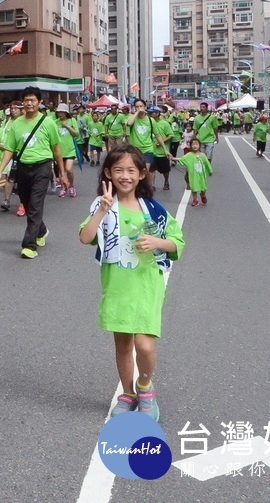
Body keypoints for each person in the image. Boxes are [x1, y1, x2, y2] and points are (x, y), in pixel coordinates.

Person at [78, 145, 185, 422]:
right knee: (123, 344)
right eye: (118, 170)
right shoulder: (102, 206)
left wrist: (157, 242)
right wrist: (101, 211)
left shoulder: (153, 209)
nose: (124, 176)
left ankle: (145, 388)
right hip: (116, 284)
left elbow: (177, 242)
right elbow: (85, 237)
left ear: (141, 174)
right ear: (108, 174)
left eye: (131, 171)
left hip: (147, 283)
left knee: (145, 345)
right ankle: (127, 394)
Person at [0, 87, 67, 259]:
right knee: (27, 204)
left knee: (35, 204)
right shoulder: (16, 124)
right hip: (23, 168)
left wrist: (61, 173)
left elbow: (56, 149)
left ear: (40, 103)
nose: (29, 103)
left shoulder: (47, 123)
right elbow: (9, 149)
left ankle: (29, 245)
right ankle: (41, 230)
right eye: (26, 100)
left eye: (33, 100)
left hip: (43, 166)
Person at [173, 138, 213, 207]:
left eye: (196, 144)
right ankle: (195, 200)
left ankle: (203, 195)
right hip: (193, 176)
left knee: (203, 187)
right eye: (193, 144)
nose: (195, 146)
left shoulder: (203, 155)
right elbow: (182, 159)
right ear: (190, 146)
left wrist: (210, 171)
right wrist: (173, 158)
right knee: (194, 188)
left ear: (199, 145)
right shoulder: (189, 155)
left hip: (201, 176)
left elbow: (207, 164)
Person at [54, 103, 79, 198]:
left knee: (69, 169)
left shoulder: (72, 120)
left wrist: (68, 126)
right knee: (61, 172)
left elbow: (77, 134)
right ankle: (64, 188)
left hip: (70, 149)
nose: (60, 114)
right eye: (59, 112)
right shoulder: (55, 122)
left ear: (66, 112)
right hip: (59, 150)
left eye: (62, 112)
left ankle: (71, 186)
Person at [192, 102, 220, 167]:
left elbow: (215, 128)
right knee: (202, 155)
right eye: (201, 107)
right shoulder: (197, 118)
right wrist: (194, 138)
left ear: (207, 108)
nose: (202, 108)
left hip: (209, 139)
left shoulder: (212, 118)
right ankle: (203, 167)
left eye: (203, 107)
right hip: (200, 139)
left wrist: (217, 137)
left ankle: (208, 166)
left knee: (209, 155)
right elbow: (195, 128)